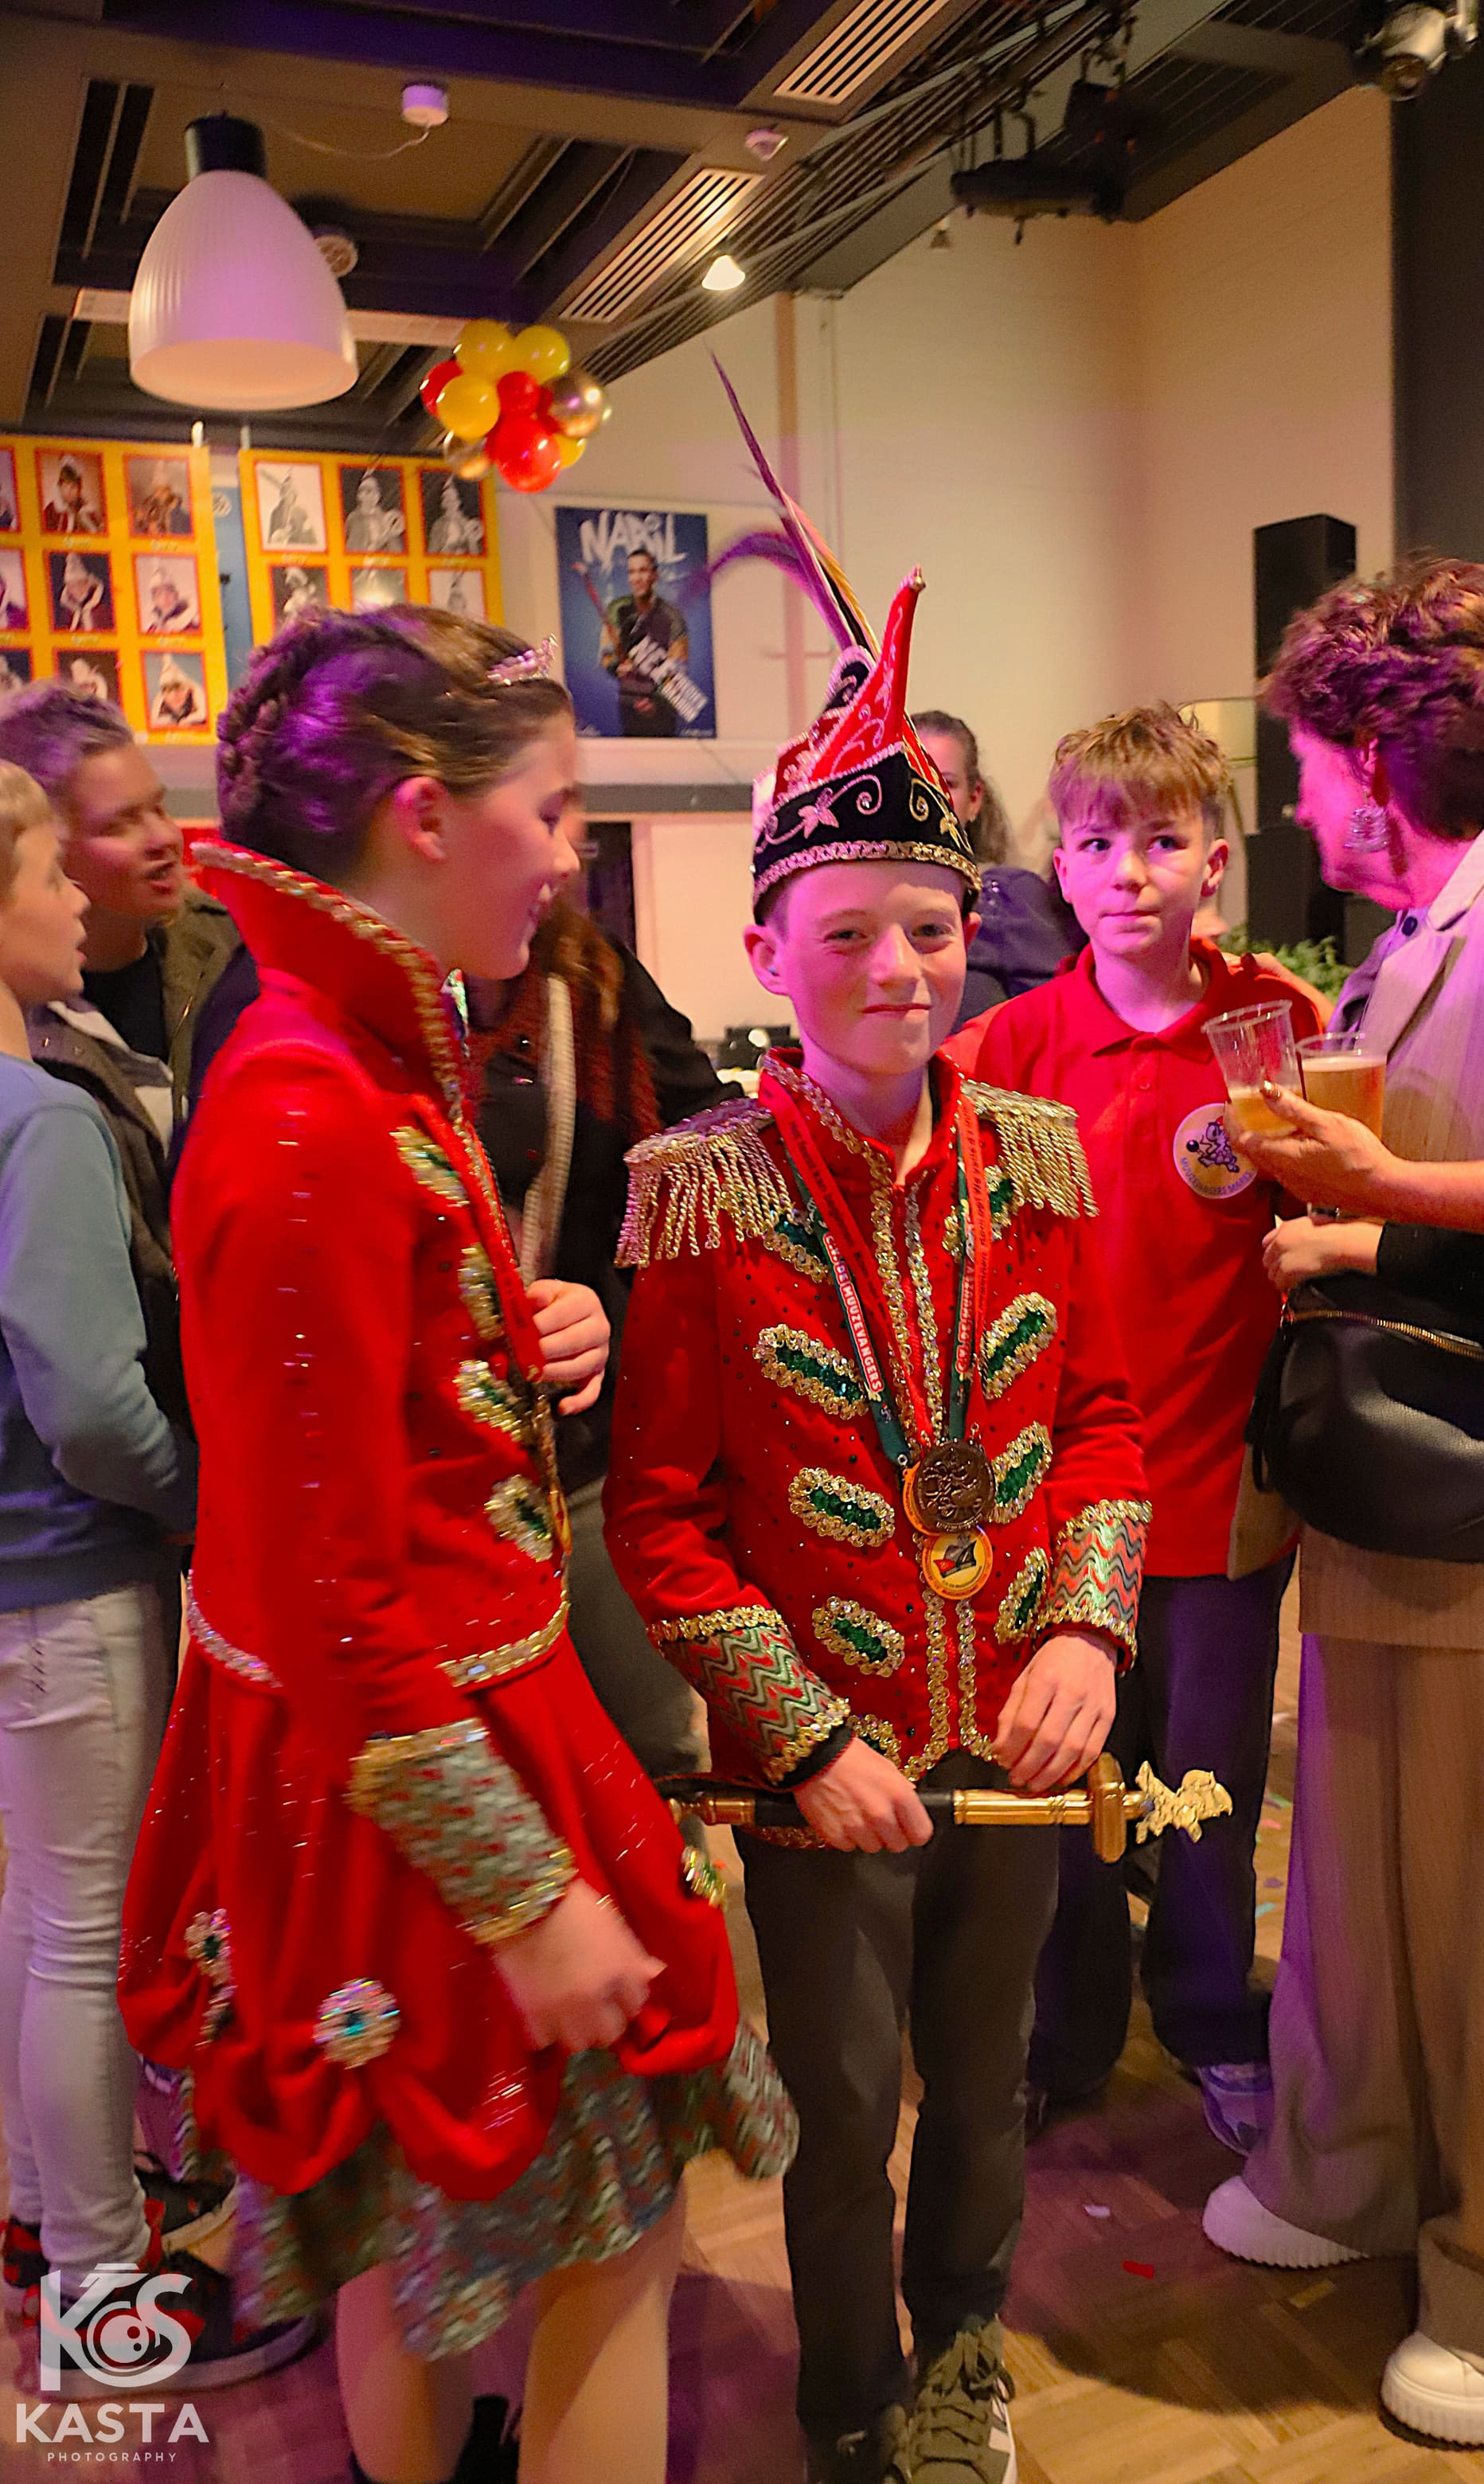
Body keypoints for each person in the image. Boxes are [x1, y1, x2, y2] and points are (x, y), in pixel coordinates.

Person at [117, 607, 794, 2478]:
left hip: (435, 1726)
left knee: (407, 2238)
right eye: (552, 809)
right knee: (613, 2237)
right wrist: (523, 1894)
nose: (571, 855)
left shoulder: (354, 1059)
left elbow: (365, 1433)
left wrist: (513, 1327)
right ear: (423, 813)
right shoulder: (310, 1104)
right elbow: (323, 1582)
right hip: (430, 1759)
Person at [605, 456, 1147, 2484]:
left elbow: (1105, 1424)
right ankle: (844, 2396)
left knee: (984, 2085)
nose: (900, 968)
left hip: (1017, 1732)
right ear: (768, 947)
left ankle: (964, 2355)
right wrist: (803, 1729)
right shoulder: (696, 1192)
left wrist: (1086, 1628)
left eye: (928, 926)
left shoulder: (1040, 1160)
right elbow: (659, 1519)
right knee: (841, 2110)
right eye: (848, 932)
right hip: (821, 1767)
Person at [1199, 556, 1484, 2448]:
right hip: (1405, 1488)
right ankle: (1351, 2163)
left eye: (1306, 761)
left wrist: (1391, 1192)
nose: (1293, 800)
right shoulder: (1417, 930)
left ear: (1376, 754)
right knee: (1364, 1876)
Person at [961, 705, 1321, 2151]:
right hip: (1059, 1499)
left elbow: (1330, 1212)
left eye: (1161, 841)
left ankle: (1213, 2020)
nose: (1128, 872)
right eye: (1098, 842)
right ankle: (1066, 2037)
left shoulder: (1278, 1031)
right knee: (1062, 1790)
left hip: (1225, 1484)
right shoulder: (1013, 1043)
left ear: (1213, 861)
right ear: (1059, 863)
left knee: (1205, 1789)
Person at [0, 761, 257, 2373]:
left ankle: (45, 2210)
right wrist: (192, 1503)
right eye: (46, 875)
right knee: (84, 1936)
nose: (73, 903)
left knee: (36, 1918)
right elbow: (93, 1405)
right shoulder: (38, 1119)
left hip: (13, 1577)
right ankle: (101, 2283)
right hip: (72, 1572)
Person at [466, 892, 728, 1791]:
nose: (563, 858)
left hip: (577, 1449)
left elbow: (702, 1151)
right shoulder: (316, 1017)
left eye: (564, 823)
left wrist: (612, 1305)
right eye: (542, 823)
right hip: (418, 1490)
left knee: (656, 1765)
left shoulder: (591, 978)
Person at [0, 685, 256, 1422]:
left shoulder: (229, 950)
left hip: (238, 1375)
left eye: (159, 807)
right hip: (114, 1421)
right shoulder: (21, 1032)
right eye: (120, 823)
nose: (163, 838)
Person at [913, 710, 1084, 1025]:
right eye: (911, 779)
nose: (927, 797)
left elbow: (1066, 1021)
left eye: (946, 783)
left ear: (974, 799)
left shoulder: (1008, 896)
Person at [600, 549, 688, 738]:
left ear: (655, 575)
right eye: (632, 572)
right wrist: (617, 667)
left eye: (643, 571)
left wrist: (656, 702)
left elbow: (679, 666)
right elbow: (606, 655)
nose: (637, 578)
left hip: (663, 708)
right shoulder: (616, 609)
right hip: (629, 704)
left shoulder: (672, 615)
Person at [345, 471, 406, 555]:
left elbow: (397, 551)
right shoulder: (354, 518)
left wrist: (389, 537)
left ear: (378, 495)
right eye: (362, 491)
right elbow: (353, 550)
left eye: (369, 491)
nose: (363, 494)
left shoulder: (387, 519)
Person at [428, 474, 484, 557]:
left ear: (459, 501)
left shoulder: (470, 524)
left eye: (452, 498)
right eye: (445, 498)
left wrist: (471, 539)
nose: (448, 502)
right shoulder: (439, 524)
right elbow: (431, 554)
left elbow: (477, 555)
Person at [42, 458, 100, 535]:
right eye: (65, 486)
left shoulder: (87, 511)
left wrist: (87, 524)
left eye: (73, 487)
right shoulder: (51, 511)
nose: (69, 491)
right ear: (60, 487)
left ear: (79, 489)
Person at [57, 552, 109, 635]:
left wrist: (90, 606)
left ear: (89, 583)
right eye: (71, 585)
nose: (75, 590)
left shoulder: (103, 612)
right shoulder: (65, 614)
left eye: (80, 584)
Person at [149, 656, 207, 730]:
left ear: (188, 691)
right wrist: (166, 721)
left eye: (180, 690)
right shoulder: (159, 699)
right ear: (164, 694)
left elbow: (203, 713)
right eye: (169, 691)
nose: (175, 696)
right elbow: (152, 722)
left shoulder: (195, 691)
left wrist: (189, 720)